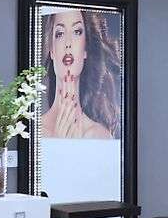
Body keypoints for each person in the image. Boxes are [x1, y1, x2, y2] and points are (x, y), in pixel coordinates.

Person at [42, 8, 121, 139]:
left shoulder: (100, 136)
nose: (68, 43)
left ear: (85, 49)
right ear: (51, 50)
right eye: (60, 33)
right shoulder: (34, 131)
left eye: (77, 32)